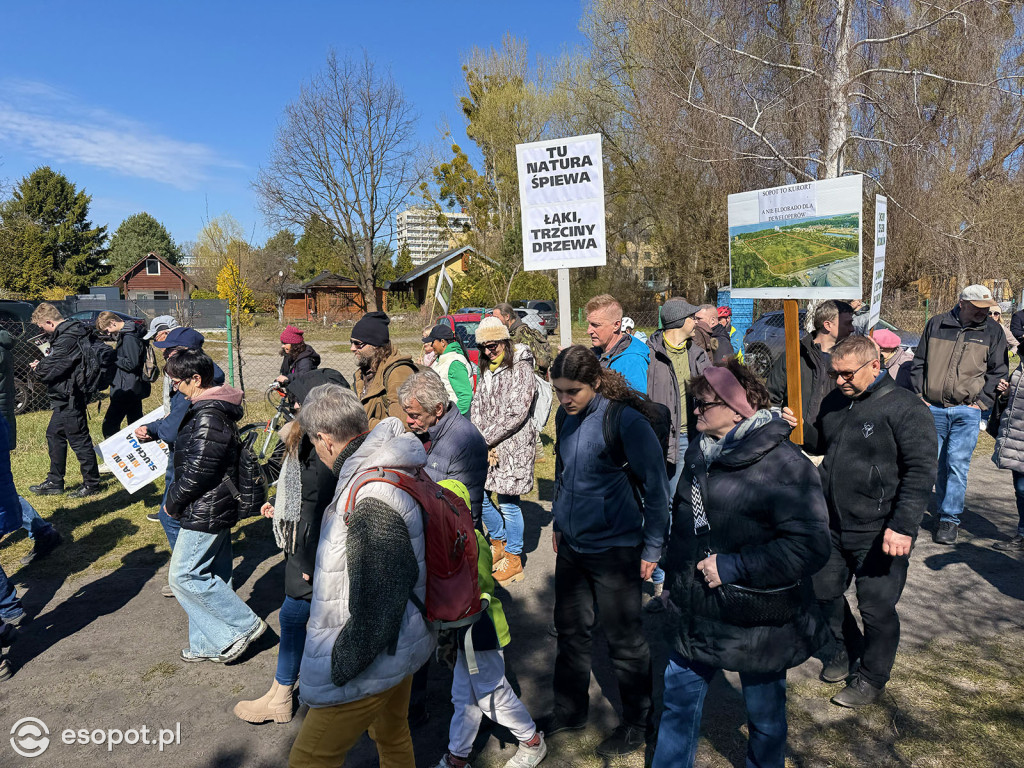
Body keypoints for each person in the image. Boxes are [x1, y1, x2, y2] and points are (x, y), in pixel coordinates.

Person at [653, 360, 831, 768]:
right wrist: (672, 585)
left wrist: (733, 567)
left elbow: (810, 546)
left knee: (765, 718)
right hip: (696, 609)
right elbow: (685, 524)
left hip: (758, 619)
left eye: (703, 403)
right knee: (677, 706)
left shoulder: (786, 465)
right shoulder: (700, 452)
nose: (694, 410)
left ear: (737, 409)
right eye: (694, 402)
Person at [289, 388, 434, 768]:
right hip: (400, 641)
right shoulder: (381, 464)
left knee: (310, 759)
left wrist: (343, 664)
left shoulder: (372, 493)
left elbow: (383, 595)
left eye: (313, 444)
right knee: (391, 734)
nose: (316, 452)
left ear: (325, 439)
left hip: (374, 654)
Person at [790, 336, 937, 707]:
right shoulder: (835, 401)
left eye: (847, 374)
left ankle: (872, 677)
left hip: (880, 530)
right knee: (822, 593)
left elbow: (921, 471)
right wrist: (798, 427)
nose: (840, 381)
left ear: (875, 365)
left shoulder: (905, 407)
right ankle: (847, 649)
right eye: (834, 374)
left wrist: (903, 526)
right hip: (832, 525)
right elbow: (820, 444)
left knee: (876, 609)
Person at [542, 345, 669, 759]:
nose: (565, 399)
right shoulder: (565, 416)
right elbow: (563, 473)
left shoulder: (625, 421)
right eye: (559, 391)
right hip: (572, 547)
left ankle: (638, 724)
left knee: (625, 642)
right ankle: (569, 711)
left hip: (616, 549)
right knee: (570, 632)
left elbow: (656, 488)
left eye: (573, 391)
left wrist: (652, 547)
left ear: (595, 382)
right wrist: (559, 521)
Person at [234, 369, 342, 725]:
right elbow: (297, 491)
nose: (291, 406)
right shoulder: (303, 437)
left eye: (296, 401)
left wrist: (311, 562)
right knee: (297, 617)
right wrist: (277, 504)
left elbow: (324, 507)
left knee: (296, 617)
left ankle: (284, 695)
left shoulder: (325, 449)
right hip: (303, 543)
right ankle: (283, 690)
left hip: (312, 549)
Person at [432, 478, 547, 768]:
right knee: (463, 698)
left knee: (491, 695)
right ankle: (457, 758)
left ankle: (532, 741)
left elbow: (480, 587)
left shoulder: (470, 540)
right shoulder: (445, 541)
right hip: (464, 633)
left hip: (481, 631)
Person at [163, 350, 266, 663]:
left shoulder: (209, 414)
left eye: (178, 382)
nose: (175, 388)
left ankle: (243, 625)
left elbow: (200, 470)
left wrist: (173, 501)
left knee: (183, 576)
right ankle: (206, 644)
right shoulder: (210, 408)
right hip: (214, 502)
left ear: (196, 379)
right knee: (213, 573)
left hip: (207, 505)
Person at [911, 284, 1008, 544]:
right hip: (932, 408)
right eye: (978, 308)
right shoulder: (937, 323)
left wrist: (981, 403)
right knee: (933, 464)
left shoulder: (993, 331)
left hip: (967, 411)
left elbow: (998, 371)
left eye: (986, 308)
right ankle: (935, 511)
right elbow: (919, 362)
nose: (983, 313)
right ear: (962, 303)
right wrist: (920, 397)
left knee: (957, 465)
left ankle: (949, 519)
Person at [645, 297, 711, 611]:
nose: (696, 321)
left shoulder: (698, 353)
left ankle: (671, 584)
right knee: (660, 508)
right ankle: (663, 581)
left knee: (683, 509)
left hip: (691, 440)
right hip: (659, 441)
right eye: (692, 317)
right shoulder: (650, 354)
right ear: (679, 321)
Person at [137, 328, 225, 543]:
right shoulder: (204, 376)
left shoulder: (192, 386)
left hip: (188, 458)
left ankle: (186, 563)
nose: (165, 354)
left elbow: (172, 430)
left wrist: (156, 430)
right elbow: (175, 418)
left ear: (185, 351)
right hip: (194, 455)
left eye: (169, 350)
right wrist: (154, 427)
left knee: (170, 517)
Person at [471, 317, 537, 585]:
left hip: (513, 446)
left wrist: (485, 437)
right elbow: (476, 404)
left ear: (505, 342)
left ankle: (514, 557)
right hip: (488, 446)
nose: (489, 351)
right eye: (484, 347)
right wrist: (478, 436)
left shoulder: (521, 366)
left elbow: (517, 411)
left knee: (509, 503)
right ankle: (498, 540)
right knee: (481, 494)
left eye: (493, 345)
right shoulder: (486, 368)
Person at [28, 302, 102, 498]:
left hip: (71, 395)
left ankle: (92, 484)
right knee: (54, 434)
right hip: (65, 395)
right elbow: (57, 362)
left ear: (49, 322)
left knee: (79, 440)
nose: (42, 332)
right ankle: (55, 481)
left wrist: (38, 368)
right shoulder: (70, 333)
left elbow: (54, 367)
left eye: (42, 327)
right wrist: (44, 364)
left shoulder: (68, 337)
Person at [398, 370, 487, 524]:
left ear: (438, 409)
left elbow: (462, 511)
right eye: (407, 414)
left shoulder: (466, 442)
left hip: (447, 533)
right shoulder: (424, 431)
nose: (408, 421)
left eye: (414, 415)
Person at [766, 300, 854, 453]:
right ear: (828, 325)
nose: (852, 328)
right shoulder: (796, 355)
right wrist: (780, 419)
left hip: (833, 447)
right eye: (847, 323)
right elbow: (769, 399)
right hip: (793, 446)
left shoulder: (850, 359)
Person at [351, 311, 418, 427]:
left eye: (358, 343)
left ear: (375, 345)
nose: (352, 348)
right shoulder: (362, 374)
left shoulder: (398, 373)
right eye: (351, 342)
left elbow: (403, 424)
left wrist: (360, 425)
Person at [96, 310, 151, 438]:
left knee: (109, 426)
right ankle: (140, 445)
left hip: (126, 386)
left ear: (113, 322)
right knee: (136, 421)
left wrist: (113, 356)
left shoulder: (129, 337)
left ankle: (114, 448)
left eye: (107, 330)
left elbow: (131, 363)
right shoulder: (130, 332)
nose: (108, 334)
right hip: (132, 384)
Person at [990, 354, 1024, 551]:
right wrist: (1006, 393)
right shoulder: (1021, 365)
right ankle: (1022, 535)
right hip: (1017, 438)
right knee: (1021, 489)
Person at [586, 294, 649, 392]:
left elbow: (636, 400)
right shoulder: (597, 353)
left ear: (616, 325)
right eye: (589, 324)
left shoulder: (632, 361)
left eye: (595, 325)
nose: (589, 331)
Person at [424, 324, 474, 415]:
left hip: (454, 419)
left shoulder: (454, 363)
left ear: (442, 342)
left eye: (433, 342)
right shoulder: (442, 359)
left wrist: (452, 417)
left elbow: (465, 396)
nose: (431, 345)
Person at [492, 303, 552, 376]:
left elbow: (533, 361)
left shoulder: (523, 333)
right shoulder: (508, 332)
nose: (494, 321)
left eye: (496, 318)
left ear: (507, 317)